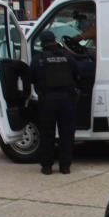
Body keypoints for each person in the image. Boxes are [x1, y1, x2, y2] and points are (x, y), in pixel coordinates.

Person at [30, 30, 80, 175]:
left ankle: (47, 166)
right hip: (66, 100)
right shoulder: (67, 57)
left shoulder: (38, 59)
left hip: (47, 101)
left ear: (42, 43)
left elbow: (31, 77)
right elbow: (78, 74)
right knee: (67, 134)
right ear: (54, 40)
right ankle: (65, 166)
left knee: (47, 134)